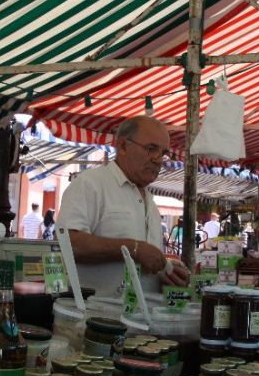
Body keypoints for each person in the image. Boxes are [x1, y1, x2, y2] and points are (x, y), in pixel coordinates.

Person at [58, 116, 190, 305]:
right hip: (97, 317)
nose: (158, 159)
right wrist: (133, 249)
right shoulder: (91, 184)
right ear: (122, 146)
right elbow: (69, 244)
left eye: (163, 153)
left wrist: (166, 275)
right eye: (151, 149)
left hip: (143, 319)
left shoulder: (150, 202)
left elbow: (141, 265)